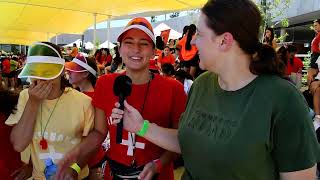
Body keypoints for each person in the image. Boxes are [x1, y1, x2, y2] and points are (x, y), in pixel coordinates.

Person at [110, 0, 320, 179]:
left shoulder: (284, 100)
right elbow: (190, 142)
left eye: (199, 33)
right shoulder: (202, 84)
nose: (192, 40)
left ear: (224, 41)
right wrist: (141, 127)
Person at [56, 17, 187, 180]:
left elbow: (181, 140)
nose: (136, 49)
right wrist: (76, 159)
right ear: (119, 49)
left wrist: (159, 164)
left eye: (144, 43)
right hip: (114, 174)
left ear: (154, 51)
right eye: (129, 43)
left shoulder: (173, 88)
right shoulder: (105, 84)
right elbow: (99, 132)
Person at [5, 42, 94, 179]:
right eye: (35, 73)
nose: (41, 80)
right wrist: (33, 103)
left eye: (47, 73)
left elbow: (89, 145)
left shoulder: (83, 102)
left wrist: (75, 168)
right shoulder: (25, 96)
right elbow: (18, 144)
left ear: (61, 72)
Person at [65, 53, 106, 179]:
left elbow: (93, 137)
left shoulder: (92, 100)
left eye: (74, 70)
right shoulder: (77, 96)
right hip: (82, 160)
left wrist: (75, 167)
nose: (69, 72)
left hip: (89, 162)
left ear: (85, 74)